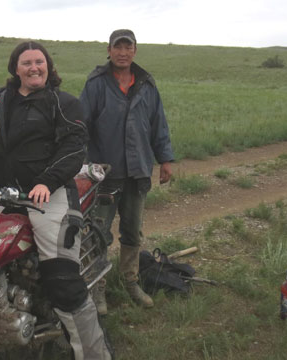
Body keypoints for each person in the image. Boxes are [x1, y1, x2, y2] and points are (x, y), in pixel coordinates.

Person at [0, 41, 112, 360]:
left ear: (49, 67)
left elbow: (75, 145)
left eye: (40, 62)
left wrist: (47, 179)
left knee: (61, 277)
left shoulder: (63, 102)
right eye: (27, 62)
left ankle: (94, 353)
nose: (34, 67)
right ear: (15, 69)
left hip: (52, 192)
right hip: (8, 193)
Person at [80, 29, 174, 315]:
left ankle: (130, 281)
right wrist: (81, 168)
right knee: (97, 234)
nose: (122, 52)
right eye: (117, 47)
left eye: (127, 47)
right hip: (105, 175)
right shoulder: (96, 83)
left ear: (135, 51)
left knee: (132, 231)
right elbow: (81, 126)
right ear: (109, 51)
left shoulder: (146, 83)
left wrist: (165, 159)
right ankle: (97, 288)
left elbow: (158, 123)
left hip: (138, 171)